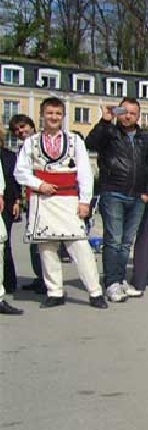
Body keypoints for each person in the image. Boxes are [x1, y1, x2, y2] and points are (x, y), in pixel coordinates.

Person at [14, 97, 107, 309]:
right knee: (47, 247)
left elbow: (85, 172)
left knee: (80, 246)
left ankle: (95, 291)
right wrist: (38, 184)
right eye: (49, 113)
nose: (53, 117)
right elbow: (20, 171)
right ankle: (54, 291)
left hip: (69, 199)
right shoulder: (32, 142)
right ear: (42, 115)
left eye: (57, 113)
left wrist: (85, 202)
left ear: (63, 116)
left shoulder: (74, 140)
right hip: (43, 199)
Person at [86, 97, 148, 302]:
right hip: (113, 191)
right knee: (114, 240)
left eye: (132, 113)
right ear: (118, 112)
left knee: (126, 242)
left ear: (138, 116)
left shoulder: (145, 138)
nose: (128, 116)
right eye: (124, 112)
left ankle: (119, 279)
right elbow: (90, 143)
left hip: (137, 195)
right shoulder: (109, 133)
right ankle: (112, 282)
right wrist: (105, 121)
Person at [7, 115, 46, 294]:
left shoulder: (43, 142)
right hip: (31, 198)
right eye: (16, 130)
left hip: (46, 196)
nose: (20, 132)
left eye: (23, 127)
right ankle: (41, 277)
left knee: (45, 240)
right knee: (34, 240)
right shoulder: (22, 149)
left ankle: (47, 279)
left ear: (31, 125)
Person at [2, 121, 23, 295]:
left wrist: (17, 200)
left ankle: (9, 282)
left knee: (5, 243)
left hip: (7, 202)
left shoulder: (8, 156)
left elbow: (14, 180)